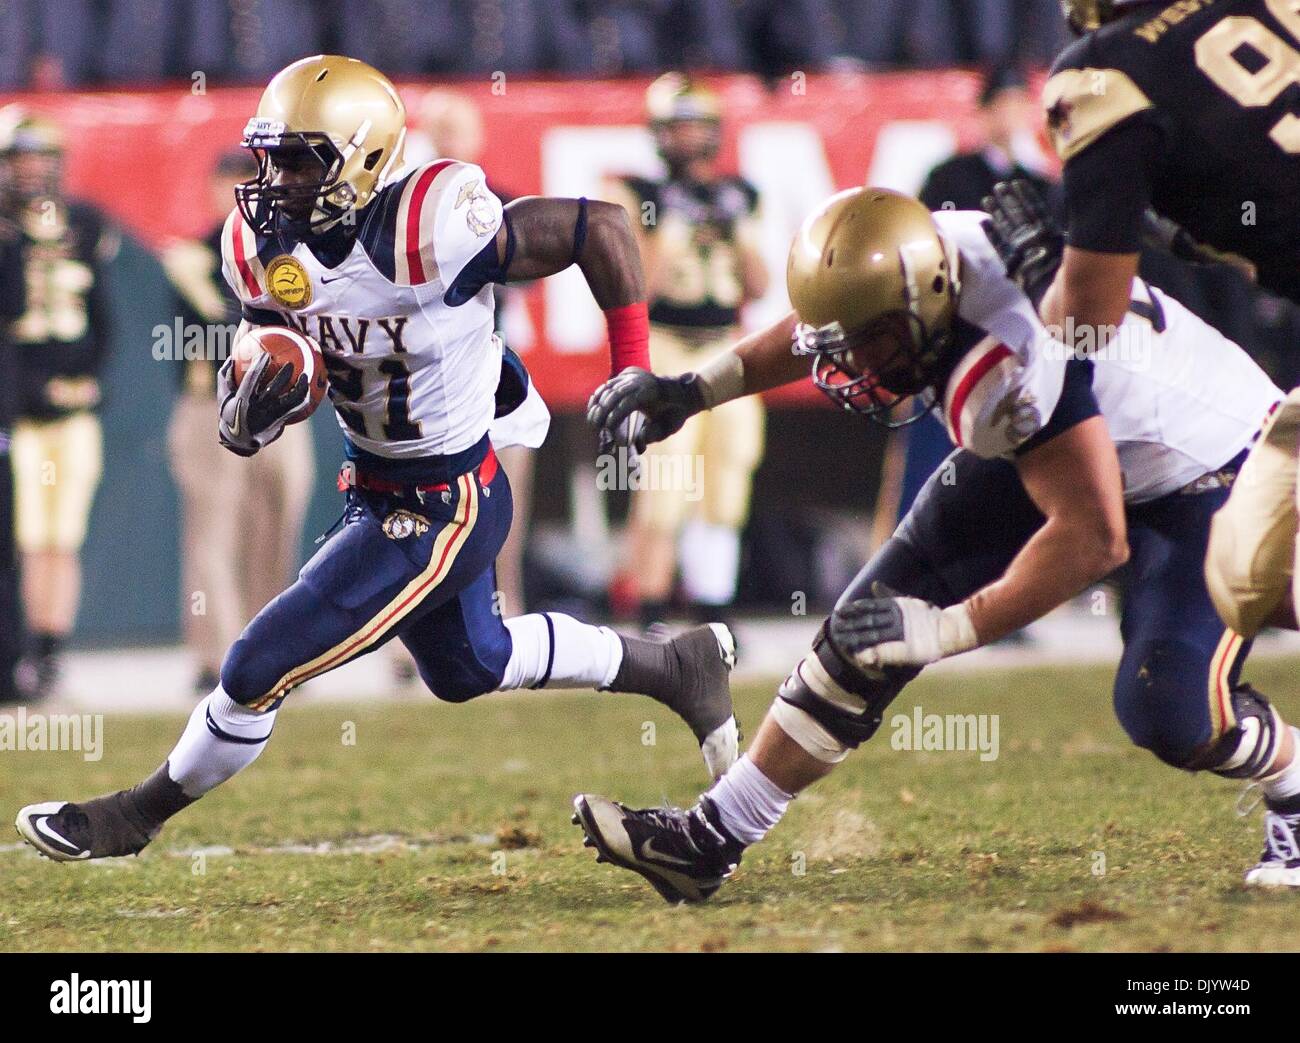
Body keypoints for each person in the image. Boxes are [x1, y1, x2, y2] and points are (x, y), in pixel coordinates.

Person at [14, 55, 737, 863]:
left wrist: (631, 367)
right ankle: (676, 662)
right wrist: (252, 402)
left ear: (360, 156)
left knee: (258, 662)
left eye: (299, 159)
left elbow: (599, 227)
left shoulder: (431, 220)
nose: (274, 180)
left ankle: (132, 814)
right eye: (269, 157)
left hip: (450, 493)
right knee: (471, 664)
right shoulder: (255, 242)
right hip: (377, 477)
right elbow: (277, 352)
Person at [574, 185, 1299, 902]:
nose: (853, 363)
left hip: (1219, 465)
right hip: (1089, 438)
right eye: (847, 344)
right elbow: (816, 326)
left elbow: (1093, 539)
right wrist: (692, 390)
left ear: (923, 303)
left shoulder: (1002, 365)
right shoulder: (924, 260)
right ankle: (711, 838)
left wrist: (946, 629)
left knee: (1170, 707)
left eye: (870, 343)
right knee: (863, 629)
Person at [1002, 1, 1300, 805]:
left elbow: (1091, 319)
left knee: (1239, 585)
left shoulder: (1106, 74)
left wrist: (1041, 273)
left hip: (1238, 431)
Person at [604, 73, 767, 629]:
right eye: (680, 126)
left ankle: (712, 609)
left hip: (725, 348)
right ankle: (650, 608)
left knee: (727, 479)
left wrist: (735, 228)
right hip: (667, 345)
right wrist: (668, 227)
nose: (690, 138)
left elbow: (761, 284)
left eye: (699, 126)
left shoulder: (740, 193)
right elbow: (635, 286)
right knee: (667, 481)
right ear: (659, 133)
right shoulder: (638, 193)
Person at [161, 151, 316, 697]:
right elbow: (217, 322)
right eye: (227, 186)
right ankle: (218, 658)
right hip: (212, 405)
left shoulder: (286, 251)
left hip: (282, 405)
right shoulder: (191, 255)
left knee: (275, 527)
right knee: (214, 533)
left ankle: (270, 652)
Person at [1, 107, 117, 701]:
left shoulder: (86, 224)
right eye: (20, 160)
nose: (31, 173)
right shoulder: (5, 234)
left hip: (73, 409)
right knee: (22, 538)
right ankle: (20, 651)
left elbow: (103, 319)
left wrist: (86, 379)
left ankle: (49, 651)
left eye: (41, 160)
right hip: (17, 411)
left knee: (60, 538)